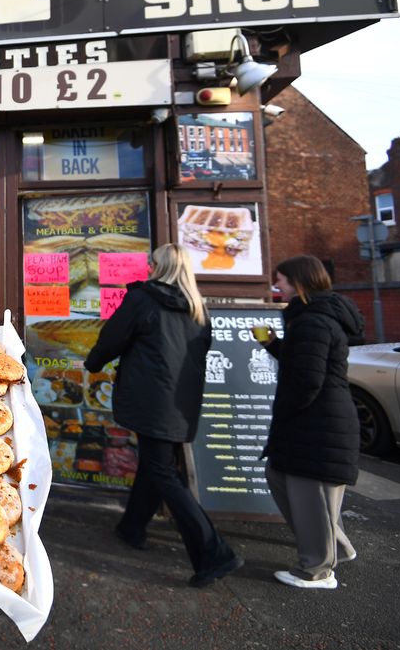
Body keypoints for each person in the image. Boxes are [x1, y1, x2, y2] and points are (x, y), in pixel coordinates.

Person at [84, 243, 242, 587]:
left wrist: (94, 362)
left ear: (160, 267)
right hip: (181, 402)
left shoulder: (144, 299)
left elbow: (113, 338)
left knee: (164, 472)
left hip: (151, 400)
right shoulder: (196, 307)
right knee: (157, 464)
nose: (148, 268)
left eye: (152, 263)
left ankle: (214, 553)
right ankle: (132, 527)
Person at [253, 255, 363, 590]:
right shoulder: (311, 317)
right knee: (281, 477)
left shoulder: (312, 321)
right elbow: (305, 362)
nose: (277, 286)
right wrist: (273, 345)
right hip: (318, 420)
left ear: (299, 282)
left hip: (318, 423)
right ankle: (336, 549)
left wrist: (285, 411)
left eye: (281, 279)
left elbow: (307, 380)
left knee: (312, 495)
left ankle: (316, 571)